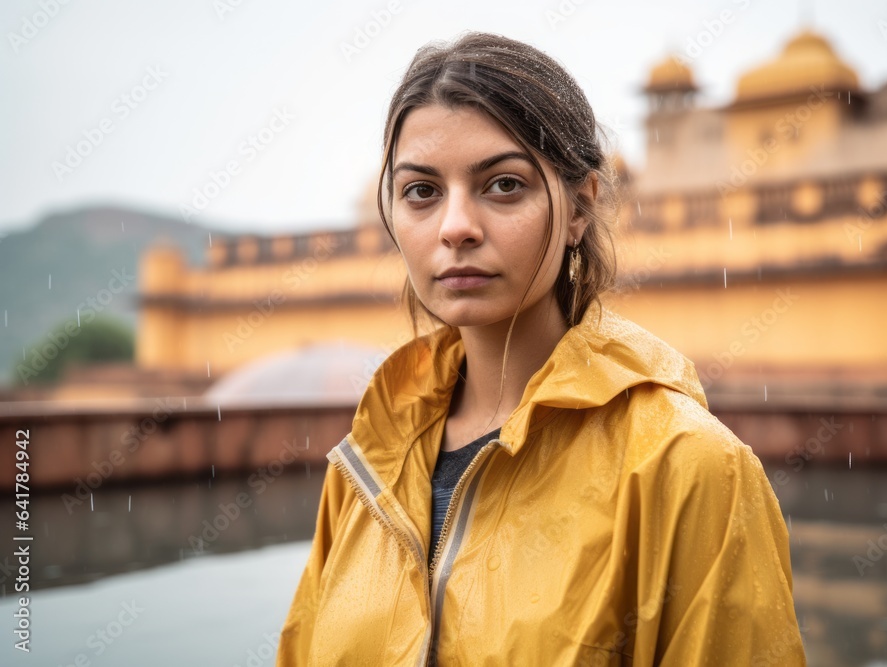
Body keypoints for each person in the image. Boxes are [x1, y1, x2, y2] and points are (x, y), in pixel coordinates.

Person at [276, 31, 806, 666]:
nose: (456, 227)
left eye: (504, 185)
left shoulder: (685, 467)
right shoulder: (369, 460)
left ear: (580, 207)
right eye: (422, 191)